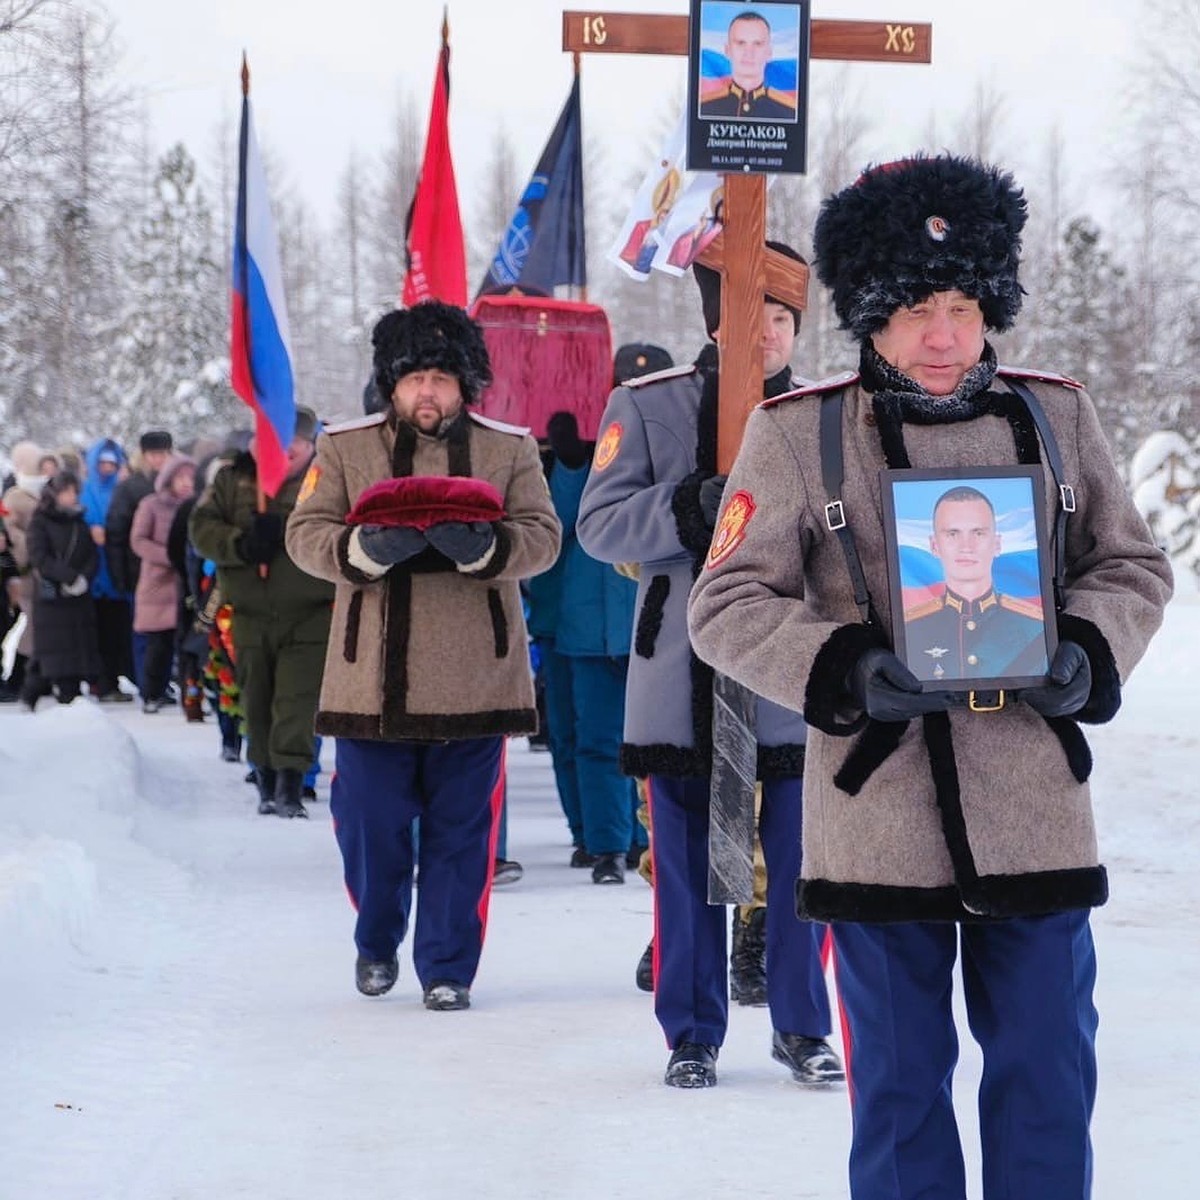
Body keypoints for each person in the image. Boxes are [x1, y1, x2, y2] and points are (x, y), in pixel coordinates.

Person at [686, 155, 1173, 1198]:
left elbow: (1129, 564)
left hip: (1034, 803)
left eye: (962, 306)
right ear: (870, 317)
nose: (944, 336)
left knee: (1047, 1073)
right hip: (878, 810)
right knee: (901, 1091)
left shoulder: (1058, 417)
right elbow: (723, 605)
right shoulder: (795, 434)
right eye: (914, 310)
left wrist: (1088, 648)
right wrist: (841, 668)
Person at [576, 243, 842, 1089]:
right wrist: (689, 505)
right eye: (749, 314)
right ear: (712, 319)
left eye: (781, 318)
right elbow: (600, 527)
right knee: (684, 862)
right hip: (677, 668)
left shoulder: (830, 415)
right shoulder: (646, 406)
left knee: (807, 859)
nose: (765, 333)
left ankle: (803, 1025)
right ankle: (691, 1031)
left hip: (796, 671)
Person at [285, 301, 560, 1010]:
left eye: (442, 378)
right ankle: (376, 940)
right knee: (370, 826)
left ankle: (446, 968)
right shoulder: (345, 448)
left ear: (466, 383)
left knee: (462, 838)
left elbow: (545, 537)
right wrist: (359, 550)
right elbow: (304, 534)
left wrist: (493, 548)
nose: (428, 393)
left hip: (477, 680)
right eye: (414, 379)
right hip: (370, 681)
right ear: (391, 385)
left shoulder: (509, 449)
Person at [189, 407, 333, 820]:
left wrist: (286, 534)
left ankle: (291, 782)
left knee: (296, 701)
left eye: (295, 446)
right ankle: (265, 778)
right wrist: (243, 542)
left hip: (310, 612)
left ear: (310, 447)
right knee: (256, 698)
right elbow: (202, 528)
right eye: (274, 444)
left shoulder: (325, 482)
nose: (283, 453)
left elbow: (334, 534)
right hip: (249, 611)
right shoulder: (233, 479)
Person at [526, 407, 641, 883]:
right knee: (587, 739)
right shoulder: (551, 456)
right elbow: (552, 529)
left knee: (636, 742)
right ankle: (603, 840)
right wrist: (571, 464)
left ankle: (631, 837)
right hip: (578, 622)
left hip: (633, 622)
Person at [904, 484, 1046, 682]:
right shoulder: (910, 629)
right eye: (953, 534)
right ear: (934, 546)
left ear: (997, 544)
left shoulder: (1035, 628)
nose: (966, 547)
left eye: (978, 533)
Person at [21, 470, 102, 708]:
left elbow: (91, 555)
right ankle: (40, 693)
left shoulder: (79, 521)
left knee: (75, 648)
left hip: (77, 598)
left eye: (74, 491)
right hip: (52, 597)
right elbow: (40, 557)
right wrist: (66, 577)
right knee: (52, 649)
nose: (72, 496)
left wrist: (83, 579)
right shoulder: (40, 522)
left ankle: (71, 695)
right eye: (66, 491)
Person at [106, 430, 174, 699]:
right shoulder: (131, 488)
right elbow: (117, 534)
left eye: (163, 454)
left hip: (172, 574)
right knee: (145, 633)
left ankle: (161, 682)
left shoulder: (175, 483)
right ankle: (149, 685)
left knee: (168, 635)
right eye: (153, 455)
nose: (158, 460)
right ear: (144, 456)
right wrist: (119, 575)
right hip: (140, 573)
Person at [130, 454, 196, 713]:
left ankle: (189, 696)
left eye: (190, 478)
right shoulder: (151, 505)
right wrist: (170, 556)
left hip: (186, 583)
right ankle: (151, 693)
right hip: (159, 583)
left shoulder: (196, 506)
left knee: (185, 643)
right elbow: (139, 540)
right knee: (158, 643)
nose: (186, 484)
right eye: (181, 478)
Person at [81, 438, 134, 702]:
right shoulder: (84, 492)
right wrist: (89, 533)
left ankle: (112, 678)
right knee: (96, 630)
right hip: (92, 573)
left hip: (116, 571)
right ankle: (98, 680)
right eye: (101, 463)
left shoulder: (121, 491)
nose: (106, 468)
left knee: (116, 628)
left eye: (111, 464)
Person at [699, 12, 795, 120]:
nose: (749, 53)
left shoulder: (790, 111)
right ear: (727, 50)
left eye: (757, 44)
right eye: (741, 43)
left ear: (769, 52)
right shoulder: (704, 108)